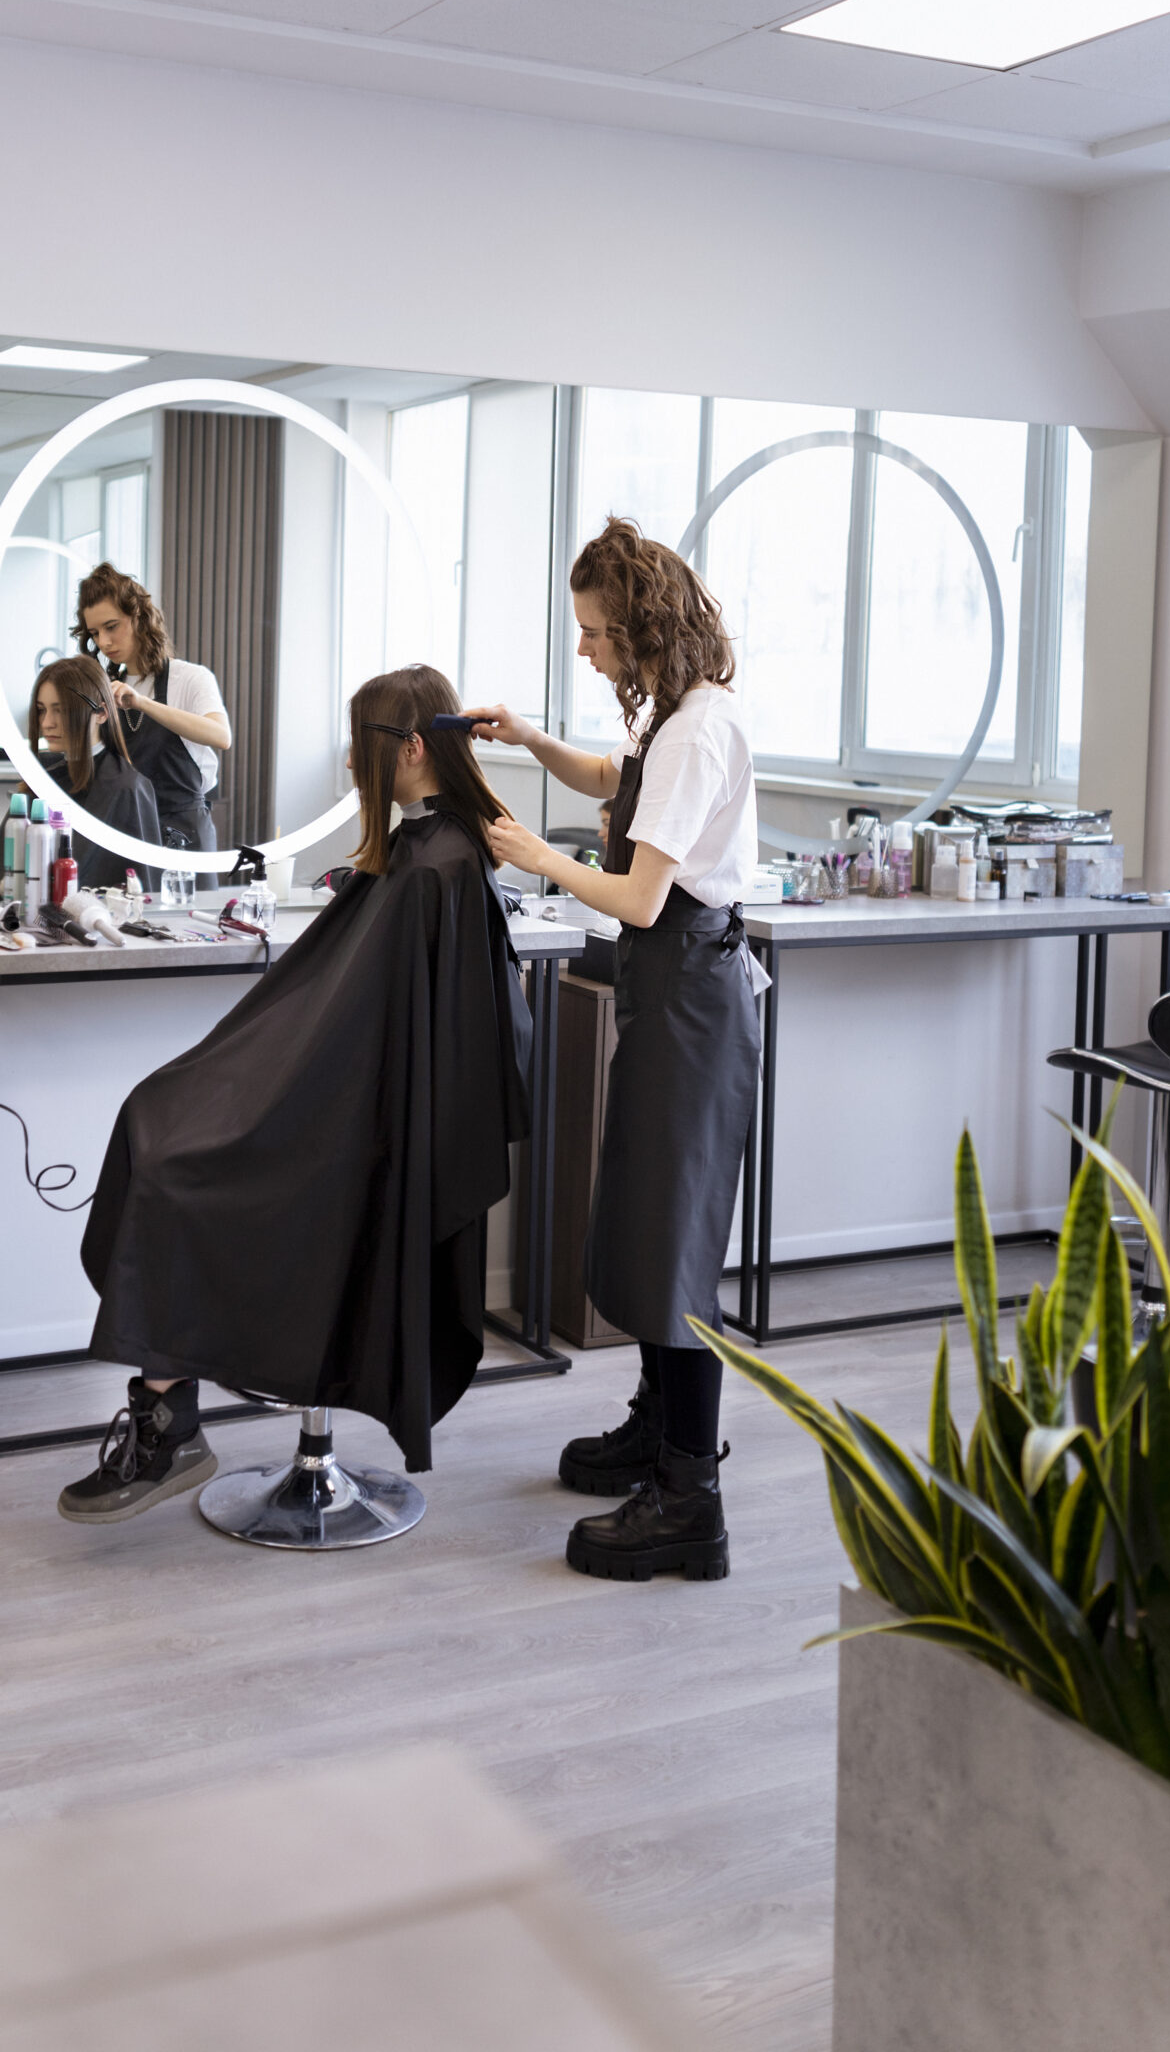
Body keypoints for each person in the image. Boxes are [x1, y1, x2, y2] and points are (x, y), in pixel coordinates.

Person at [58, 662, 532, 1526]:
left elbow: (362, 1043)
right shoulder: (430, 852)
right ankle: (168, 1416)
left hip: (352, 1138)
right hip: (343, 1111)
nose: (352, 769)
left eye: (360, 753)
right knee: (153, 1117)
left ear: (413, 751)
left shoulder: (437, 868)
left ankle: (166, 1425)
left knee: (176, 1163)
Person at [470, 516, 760, 1586]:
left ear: (641, 628)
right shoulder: (673, 717)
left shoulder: (696, 731)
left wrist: (535, 855)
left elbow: (640, 896)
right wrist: (531, 740)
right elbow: (614, 778)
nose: (586, 650)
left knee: (675, 1246)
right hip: (670, 995)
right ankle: (655, 1431)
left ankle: (693, 1500)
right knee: (646, 1225)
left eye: (595, 633)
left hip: (689, 997)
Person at [73, 565, 230, 854]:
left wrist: (142, 703)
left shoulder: (191, 678)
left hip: (186, 835)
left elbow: (221, 736)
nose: (104, 642)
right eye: (95, 633)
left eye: (111, 626)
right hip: (127, 832)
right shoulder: (105, 690)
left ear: (139, 618)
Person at [0, 655, 161, 895]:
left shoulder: (126, 787)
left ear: (101, 713)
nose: (47, 723)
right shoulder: (45, 778)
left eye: (62, 711)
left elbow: (142, 893)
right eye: (41, 710)